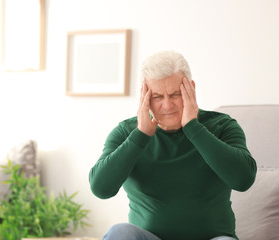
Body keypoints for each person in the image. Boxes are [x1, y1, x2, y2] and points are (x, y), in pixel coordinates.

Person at [89, 51, 257, 240]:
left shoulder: (222, 126)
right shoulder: (127, 132)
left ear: (191, 89)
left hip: (213, 238)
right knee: (120, 232)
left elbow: (243, 180)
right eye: (158, 96)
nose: (167, 105)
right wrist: (141, 135)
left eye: (175, 94)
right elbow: (101, 189)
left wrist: (193, 128)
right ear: (144, 95)